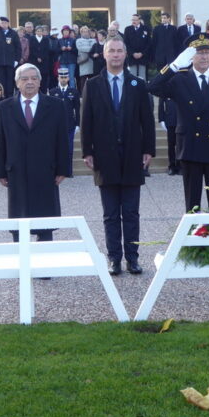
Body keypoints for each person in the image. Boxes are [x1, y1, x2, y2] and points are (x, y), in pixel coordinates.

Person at [81, 36, 155, 275]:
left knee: (132, 213)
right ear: (104, 54)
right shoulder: (92, 85)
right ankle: (114, 258)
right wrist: (87, 151)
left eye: (119, 51)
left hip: (133, 155)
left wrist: (148, 149)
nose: (115, 55)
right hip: (104, 156)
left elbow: (147, 121)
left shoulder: (138, 84)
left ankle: (132, 258)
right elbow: (86, 121)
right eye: (111, 51)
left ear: (125, 54)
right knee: (110, 214)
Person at [148, 37, 209, 213]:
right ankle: (193, 237)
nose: (204, 57)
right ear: (191, 57)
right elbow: (153, 87)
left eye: (207, 53)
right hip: (191, 148)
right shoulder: (180, 79)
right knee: (192, 205)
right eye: (199, 53)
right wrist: (174, 66)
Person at [0, 63, 70, 243]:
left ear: (40, 82)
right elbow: (0, 142)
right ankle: (21, 268)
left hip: (46, 171)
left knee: (44, 224)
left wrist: (63, 169)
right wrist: (0, 172)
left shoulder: (56, 105)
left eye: (34, 78)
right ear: (17, 83)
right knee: (18, 225)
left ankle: (44, 269)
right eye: (25, 79)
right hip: (17, 171)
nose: (30, 82)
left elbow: (62, 140)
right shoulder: (4, 108)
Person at [49, 67, 81, 177]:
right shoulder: (53, 92)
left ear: (68, 78)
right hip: (56, 126)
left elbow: (77, 109)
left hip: (69, 125)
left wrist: (78, 124)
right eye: (61, 77)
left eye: (65, 77)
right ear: (58, 77)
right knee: (56, 149)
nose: (63, 79)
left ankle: (68, 171)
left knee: (69, 150)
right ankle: (57, 171)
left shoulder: (74, 92)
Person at [124, 14, 150, 80]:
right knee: (132, 77)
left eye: (135, 20)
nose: (133, 21)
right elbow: (126, 43)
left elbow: (149, 43)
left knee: (142, 77)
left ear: (139, 20)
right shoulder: (127, 29)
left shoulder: (146, 29)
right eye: (132, 20)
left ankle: (142, 90)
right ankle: (133, 90)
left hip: (143, 57)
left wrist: (142, 53)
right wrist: (133, 53)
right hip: (132, 57)